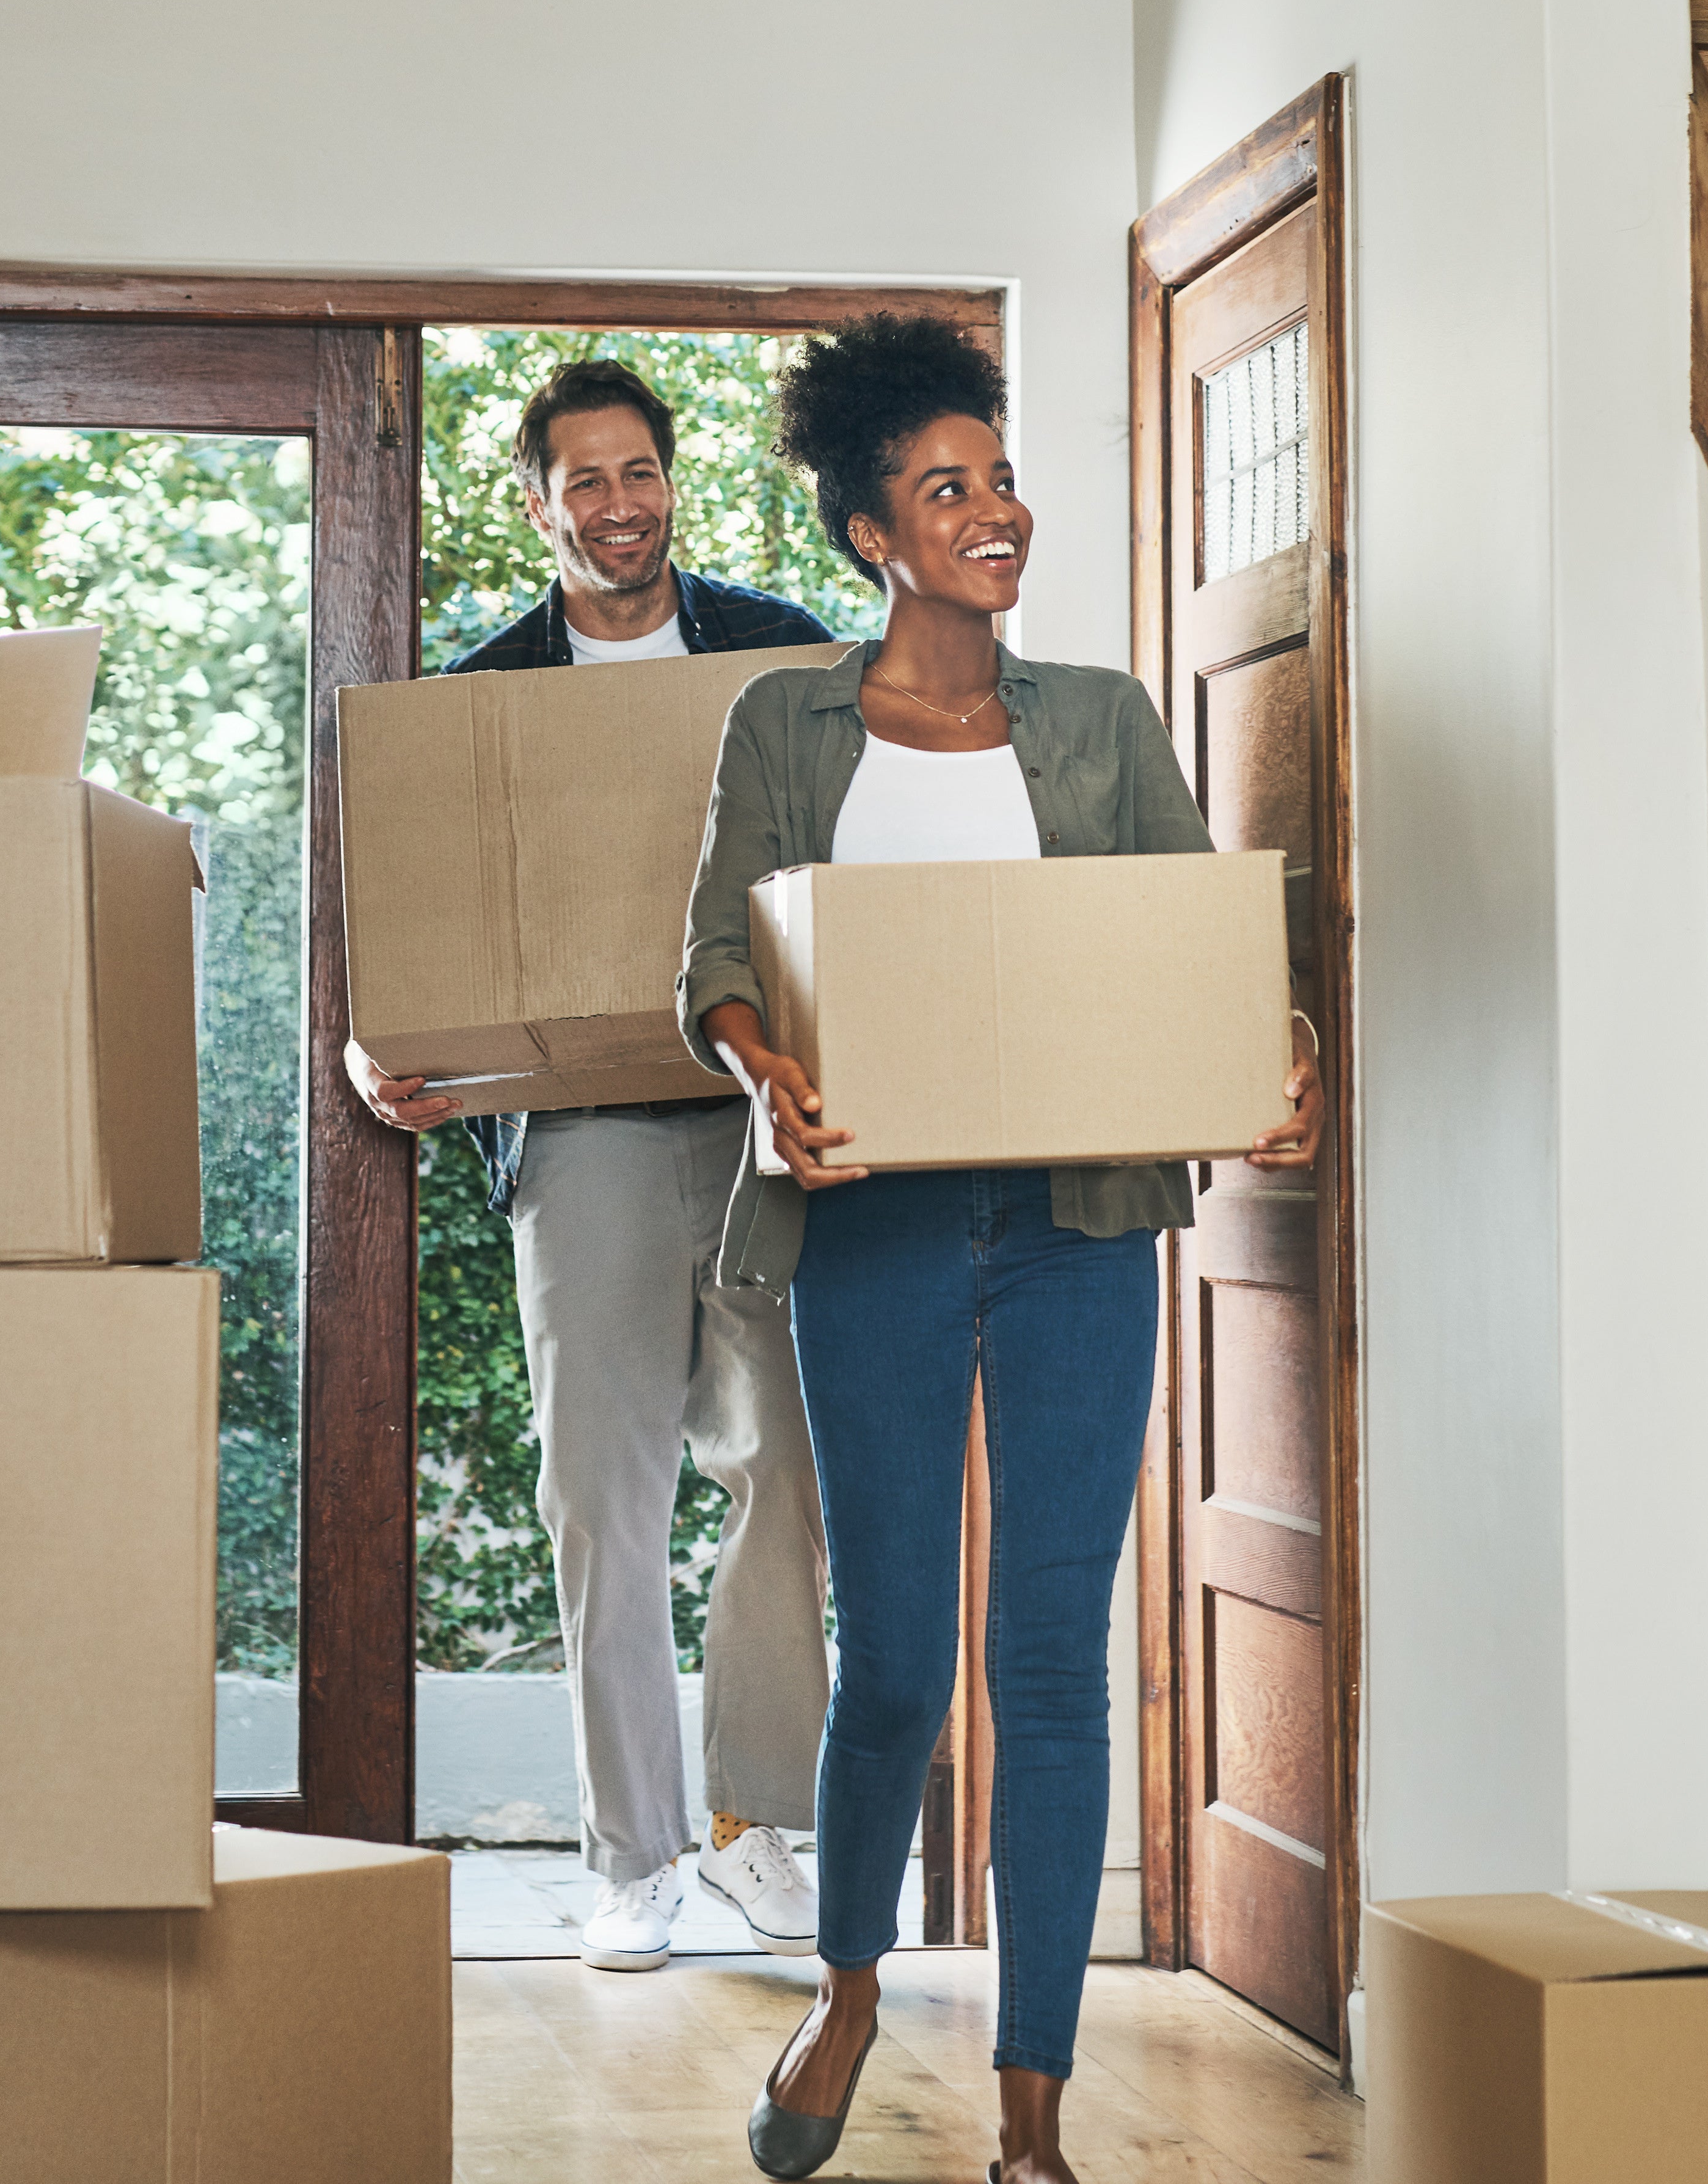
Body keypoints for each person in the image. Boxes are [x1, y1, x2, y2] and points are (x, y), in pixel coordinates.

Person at [675, 315, 1321, 2184]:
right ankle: (854, 1988)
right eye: (947, 490)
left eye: (1001, 480)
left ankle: (1033, 2114)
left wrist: (1271, 1051)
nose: (995, 513)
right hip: (869, 1220)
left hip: (1077, 1230)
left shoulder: (1100, 722)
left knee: (1050, 1655)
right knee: (889, 1656)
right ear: (874, 534)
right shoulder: (785, 724)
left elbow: (1208, 945)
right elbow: (719, 952)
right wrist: (756, 1067)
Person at [345, 357, 835, 1972]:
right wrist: (381, 1049)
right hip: (587, 1138)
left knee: (787, 1475)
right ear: (538, 501)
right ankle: (632, 1857)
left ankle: (756, 1821)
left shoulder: (785, 655)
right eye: (587, 483)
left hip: (766, 1116)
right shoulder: (478, 699)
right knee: (601, 1501)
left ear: (669, 482)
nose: (620, 507)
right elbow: (403, 938)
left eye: (643, 475)